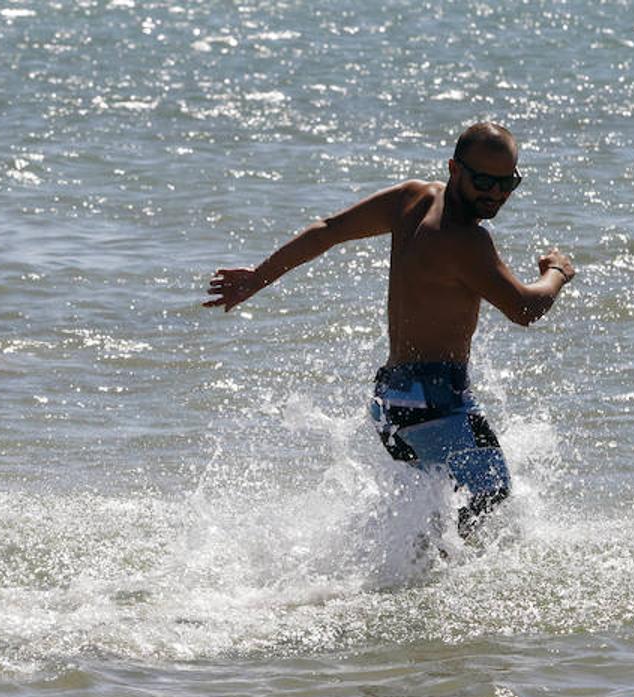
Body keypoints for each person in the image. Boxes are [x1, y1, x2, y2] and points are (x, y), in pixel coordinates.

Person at [205, 122, 574, 537]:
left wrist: (259, 276)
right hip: (436, 399)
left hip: (393, 398)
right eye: (484, 180)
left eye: (508, 182)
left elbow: (329, 232)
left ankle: (401, 576)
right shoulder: (465, 240)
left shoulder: (410, 199)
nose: (495, 193)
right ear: (454, 168)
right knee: (490, 494)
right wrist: (557, 273)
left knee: (439, 510)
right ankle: (438, 584)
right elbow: (525, 308)